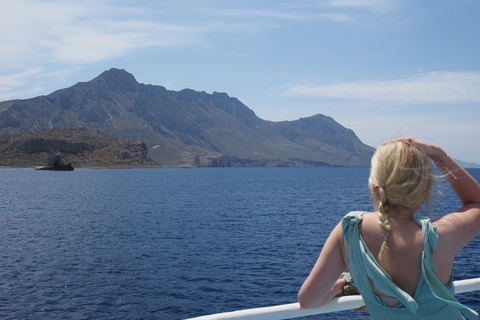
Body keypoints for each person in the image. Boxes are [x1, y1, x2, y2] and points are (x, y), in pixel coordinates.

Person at [298, 138, 480, 319]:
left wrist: (345, 285)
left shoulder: (350, 231)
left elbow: (309, 300)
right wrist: (440, 156)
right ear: (424, 189)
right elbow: (477, 202)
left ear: (375, 185)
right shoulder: (441, 235)